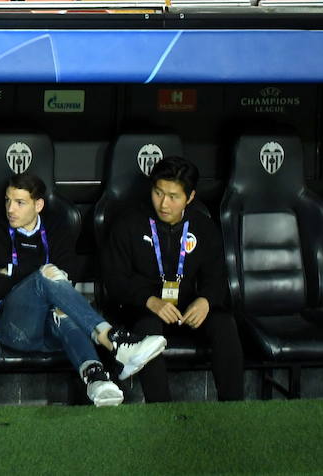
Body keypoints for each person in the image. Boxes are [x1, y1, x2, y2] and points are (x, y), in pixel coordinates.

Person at [0, 173, 167, 406]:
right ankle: (113, 341)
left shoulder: (57, 229)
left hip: (52, 327)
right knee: (48, 275)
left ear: (39, 204)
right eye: (7, 200)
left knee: (62, 310)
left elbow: (69, 276)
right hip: (13, 326)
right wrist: (37, 279)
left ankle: (96, 378)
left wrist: (12, 272)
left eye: (19, 202)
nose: (10, 209)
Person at [101, 155, 244, 403]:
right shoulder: (128, 223)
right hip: (143, 309)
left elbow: (217, 275)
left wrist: (206, 300)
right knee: (147, 331)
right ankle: (162, 410)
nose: (163, 203)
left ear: (189, 197)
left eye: (173, 197)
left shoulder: (203, 226)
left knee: (224, 324)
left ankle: (233, 407)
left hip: (187, 307)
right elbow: (114, 280)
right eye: (158, 193)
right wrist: (150, 301)